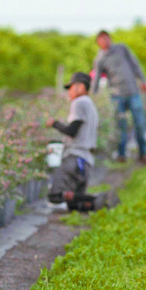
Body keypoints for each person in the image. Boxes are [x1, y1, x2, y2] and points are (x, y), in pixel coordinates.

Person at [45, 72, 117, 212]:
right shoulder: (90, 105)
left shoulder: (79, 102)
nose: (69, 92)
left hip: (74, 159)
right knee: (74, 203)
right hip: (86, 162)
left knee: (55, 196)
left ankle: (99, 198)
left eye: (71, 88)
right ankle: (98, 202)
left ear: (81, 87)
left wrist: (54, 123)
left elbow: (72, 130)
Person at [90, 31, 146, 164]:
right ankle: (121, 155)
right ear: (98, 43)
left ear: (110, 39)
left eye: (107, 38)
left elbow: (135, 64)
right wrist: (92, 96)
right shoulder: (99, 59)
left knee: (139, 123)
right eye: (102, 39)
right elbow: (96, 79)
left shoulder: (121, 48)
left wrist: (143, 80)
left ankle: (143, 153)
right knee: (121, 126)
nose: (105, 41)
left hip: (133, 92)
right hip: (116, 96)